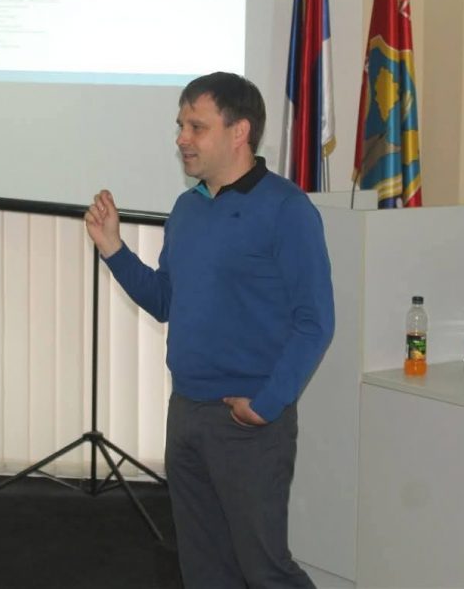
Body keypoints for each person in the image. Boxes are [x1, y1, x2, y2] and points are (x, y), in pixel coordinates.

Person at [84, 72, 334, 589]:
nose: (182, 138)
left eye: (196, 126)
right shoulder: (188, 208)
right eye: (180, 125)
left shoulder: (287, 209)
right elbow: (165, 301)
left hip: (248, 421)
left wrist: (266, 405)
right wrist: (113, 249)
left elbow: (315, 322)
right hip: (186, 412)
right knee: (203, 570)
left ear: (239, 131)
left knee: (265, 570)